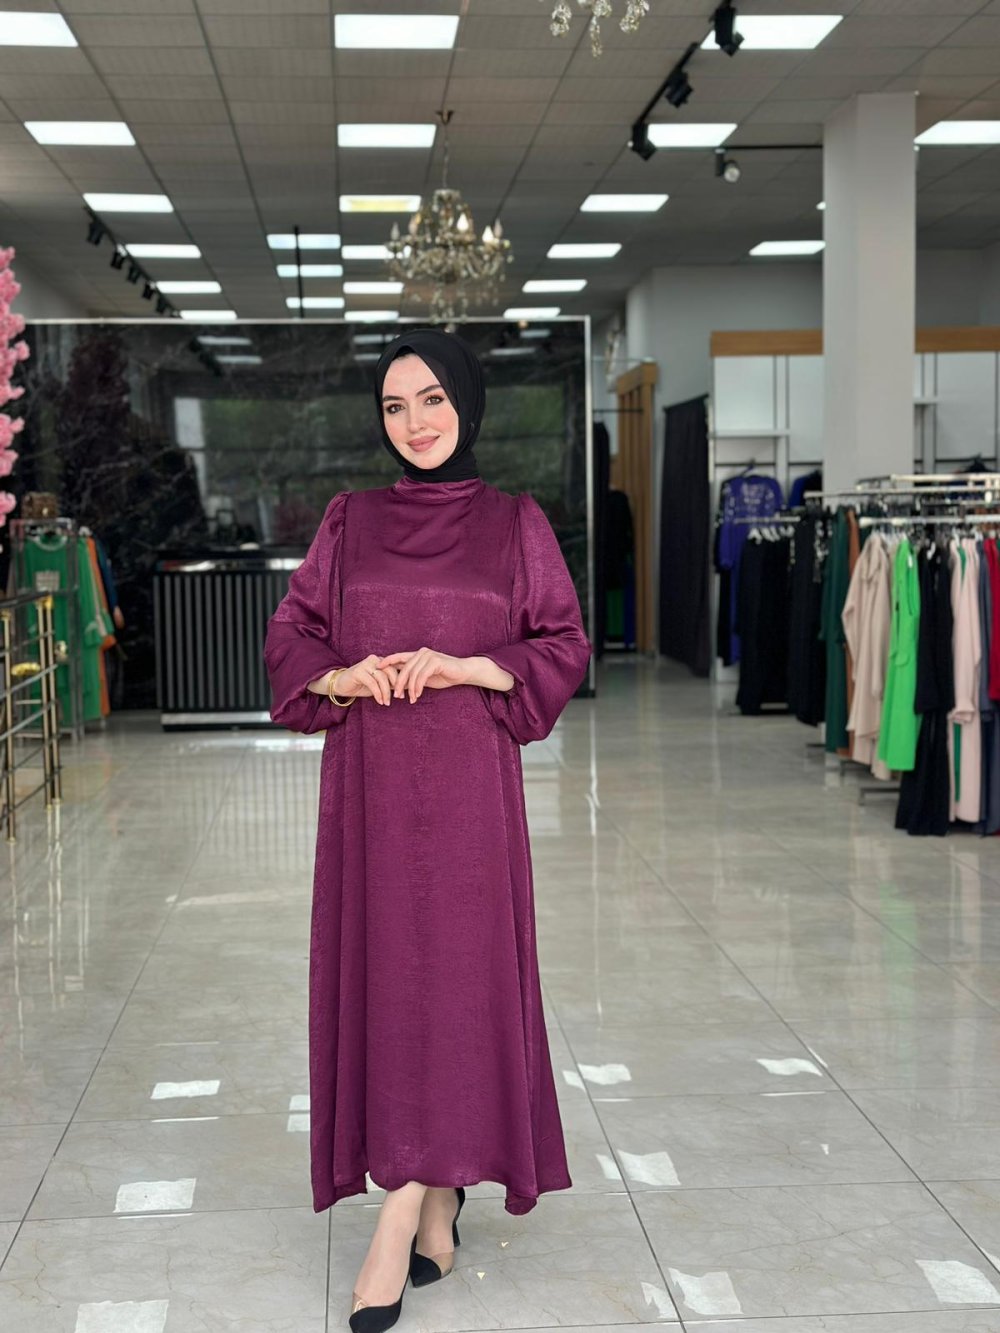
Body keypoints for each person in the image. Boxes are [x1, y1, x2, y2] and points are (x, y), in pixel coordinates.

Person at [264, 327, 591, 1333]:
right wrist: (341, 674)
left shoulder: (514, 523)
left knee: (454, 986)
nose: (415, 422)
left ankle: (400, 1213)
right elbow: (292, 632)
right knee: (394, 987)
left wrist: (464, 665)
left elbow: (562, 643)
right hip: (370, 794)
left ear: (468, 403)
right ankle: (437, 1195)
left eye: (433, 399)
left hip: (468, 799)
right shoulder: (350, 521)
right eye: (395, 406)